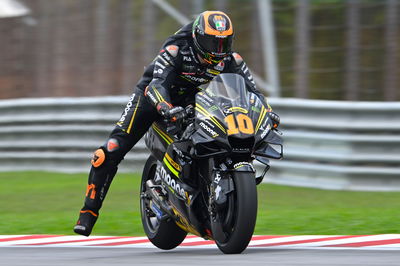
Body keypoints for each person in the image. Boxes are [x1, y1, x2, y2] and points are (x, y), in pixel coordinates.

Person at [73, 10, 280, 236]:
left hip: (192, 98)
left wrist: (266, 112)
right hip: (153, 97)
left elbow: (252, 92)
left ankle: (201, 192)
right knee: (110, 150)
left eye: (224, 43)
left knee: (214, 134)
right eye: (213, 42)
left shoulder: (231, 60)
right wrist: (164, 107)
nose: (218, 50)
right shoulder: (176, 50)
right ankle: (88, 212)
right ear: (198, 37)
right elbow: (156, 84)